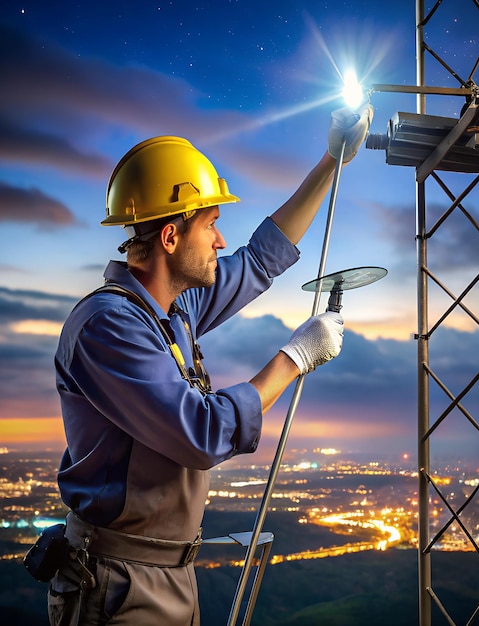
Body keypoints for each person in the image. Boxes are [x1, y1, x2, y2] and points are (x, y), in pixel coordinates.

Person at [47, 104, 373, 626]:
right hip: (119, 583)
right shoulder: (108, 326)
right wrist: (296, 357)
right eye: (211, 224)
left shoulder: (174, 310)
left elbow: (262, 258)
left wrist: (332, 161)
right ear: (171, 237)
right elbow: (201, 433)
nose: (221, 241)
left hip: (171, 572)